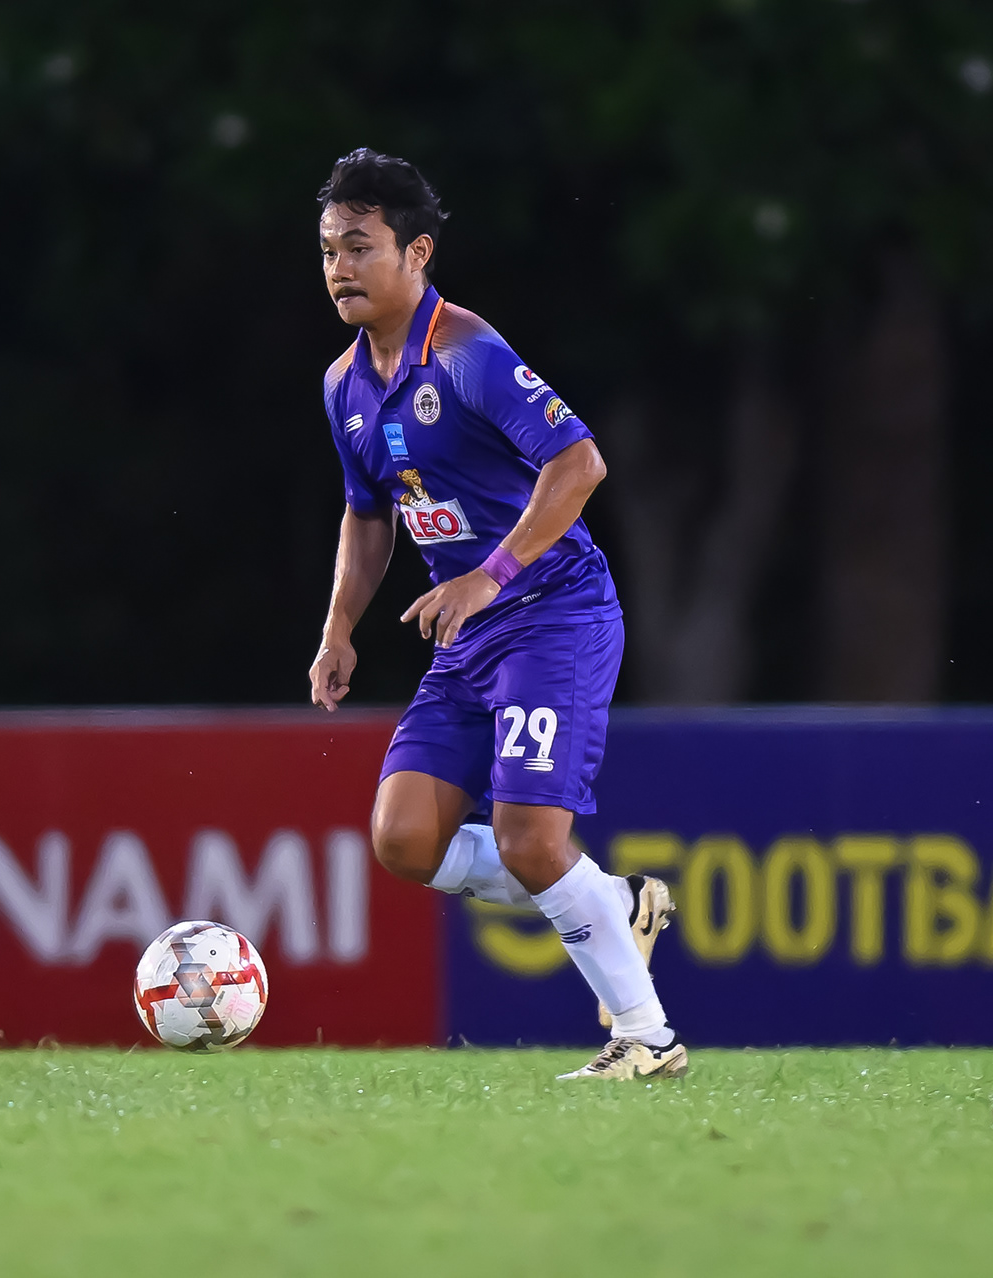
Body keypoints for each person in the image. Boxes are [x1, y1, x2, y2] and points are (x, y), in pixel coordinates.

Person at [306, 148, 685, 1080]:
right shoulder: (344, 385)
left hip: (554, 614)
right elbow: (368, 516)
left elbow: (581, 464)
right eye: (328, 251)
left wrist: (490, 574)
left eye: (359, 247)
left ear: (417, 253)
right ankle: (614, 903)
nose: (340, 268)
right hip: (470, 638)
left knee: (528, 841)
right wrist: (338, 627)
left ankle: (648, 1041)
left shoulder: (467, 351)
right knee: (403, 840)